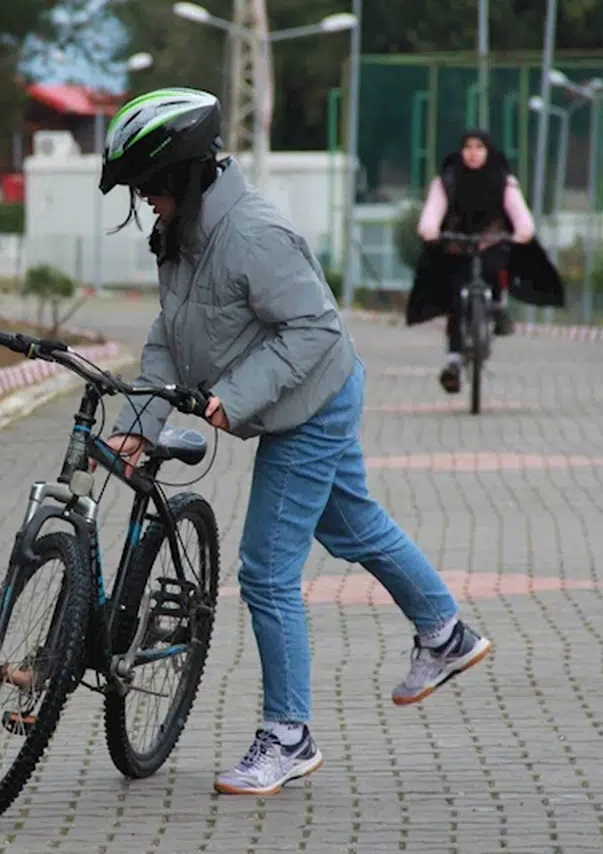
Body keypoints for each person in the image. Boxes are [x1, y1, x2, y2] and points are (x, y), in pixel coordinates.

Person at [98, 88, 493, 796]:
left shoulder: (252, 235)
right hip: (306, 398)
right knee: (352, 526)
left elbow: (315, 330)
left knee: (266, 571)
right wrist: (137, 428)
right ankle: (445, 634)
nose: (145, 201)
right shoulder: (183, 238)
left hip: (309, 405)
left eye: (149, 188)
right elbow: (168, 336)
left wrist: (235, 397)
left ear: (183, 177)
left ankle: (289, 735)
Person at [408, 130, 565, 394]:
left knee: (496, 267)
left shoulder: (504, 181)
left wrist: (523, 231)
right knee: (456, 298)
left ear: (488, 152)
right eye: (467, 147)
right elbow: (433, 212)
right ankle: (454, 362)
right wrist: (430, 230)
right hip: (457, 246)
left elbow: (519, 213)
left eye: (479, 147)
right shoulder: (447, 180)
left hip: (492, 243)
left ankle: (499, 305)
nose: (473, 153)